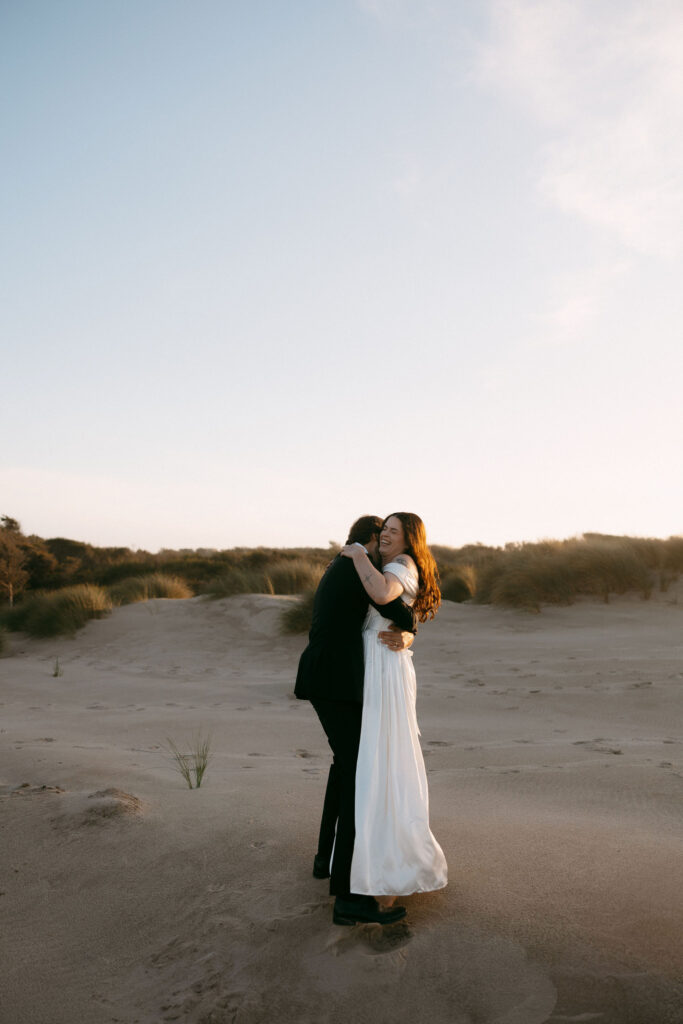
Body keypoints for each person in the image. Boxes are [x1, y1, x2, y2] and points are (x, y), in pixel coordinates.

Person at [294, 515, 417, 926]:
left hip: (327, 677)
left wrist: (410, 632)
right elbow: (397, 608)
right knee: (356, 778)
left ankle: (323, 860)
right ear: (366, 541)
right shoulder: (354, 564)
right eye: (378, 539)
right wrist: (411, 625)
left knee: (343, 768)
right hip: (335, 681)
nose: (383, 547)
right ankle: (349, 898)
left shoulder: (341, 565)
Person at [340, 512, 447, 909]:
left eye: (392, 531)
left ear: (409, 539)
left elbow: (384, 595)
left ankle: (392, 859)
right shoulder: (388, 563)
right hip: (375, 661)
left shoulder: (401, 566)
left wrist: (356, 555)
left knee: (384, 755)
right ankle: (365, 856)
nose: (384, 534)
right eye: (382, 529)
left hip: (385, 666)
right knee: (372, 755)